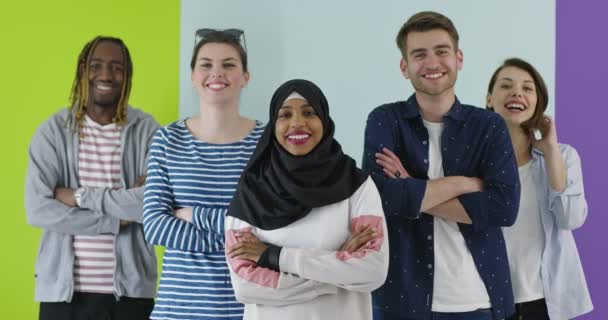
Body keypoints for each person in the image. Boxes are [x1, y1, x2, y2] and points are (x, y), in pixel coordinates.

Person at [362, 11, 521, 320]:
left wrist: (412, 187)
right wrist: (465, 183)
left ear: (459, 58)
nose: (432, 63)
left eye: (442, 51)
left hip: (480, 299)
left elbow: (504, 208)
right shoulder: (385, 120)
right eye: (419, 54)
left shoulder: (489, 126)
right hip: (403, 300)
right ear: (404, 66)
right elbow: (382, 200)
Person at [224, 79, 389, 320]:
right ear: (274, 124)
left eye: (309, 112)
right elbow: (245, 287)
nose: (297, 123)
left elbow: (373, 271)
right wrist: (335, 278)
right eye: (285, 115)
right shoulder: (251, 191)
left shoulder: (356, 185)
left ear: (324, 119)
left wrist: (274, 257)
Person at [25, 36, 160, 320]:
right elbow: (38, 209)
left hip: (131, 296)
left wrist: (78, 196)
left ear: (128, 75)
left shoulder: (148, 131)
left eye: (116, 67)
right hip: (63, 297)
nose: (106, 75)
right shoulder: (52, 132)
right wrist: (115, 219)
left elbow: (150, 204)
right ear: (82, 71)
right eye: (96, 65)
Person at [143, 29, 264, 320]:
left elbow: (269, 224)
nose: (216, 73)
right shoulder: (167, 140)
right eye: (206, 64)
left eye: (229, 64)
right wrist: (237, 241)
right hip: (178, 309)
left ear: (245, 76)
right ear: (193, 76)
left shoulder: (267, 142)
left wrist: (192, 214)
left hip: (251, 310)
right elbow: (155, 226)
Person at [486, 58, 593, 320]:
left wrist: (551, 150)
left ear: (538, 102)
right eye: (506, 86)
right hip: (489, 297)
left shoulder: (564, 156)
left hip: (547, 299)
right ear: (489, 99)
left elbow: (570, 218)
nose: (517, 93)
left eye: (527, 88)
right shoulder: (476, 162)